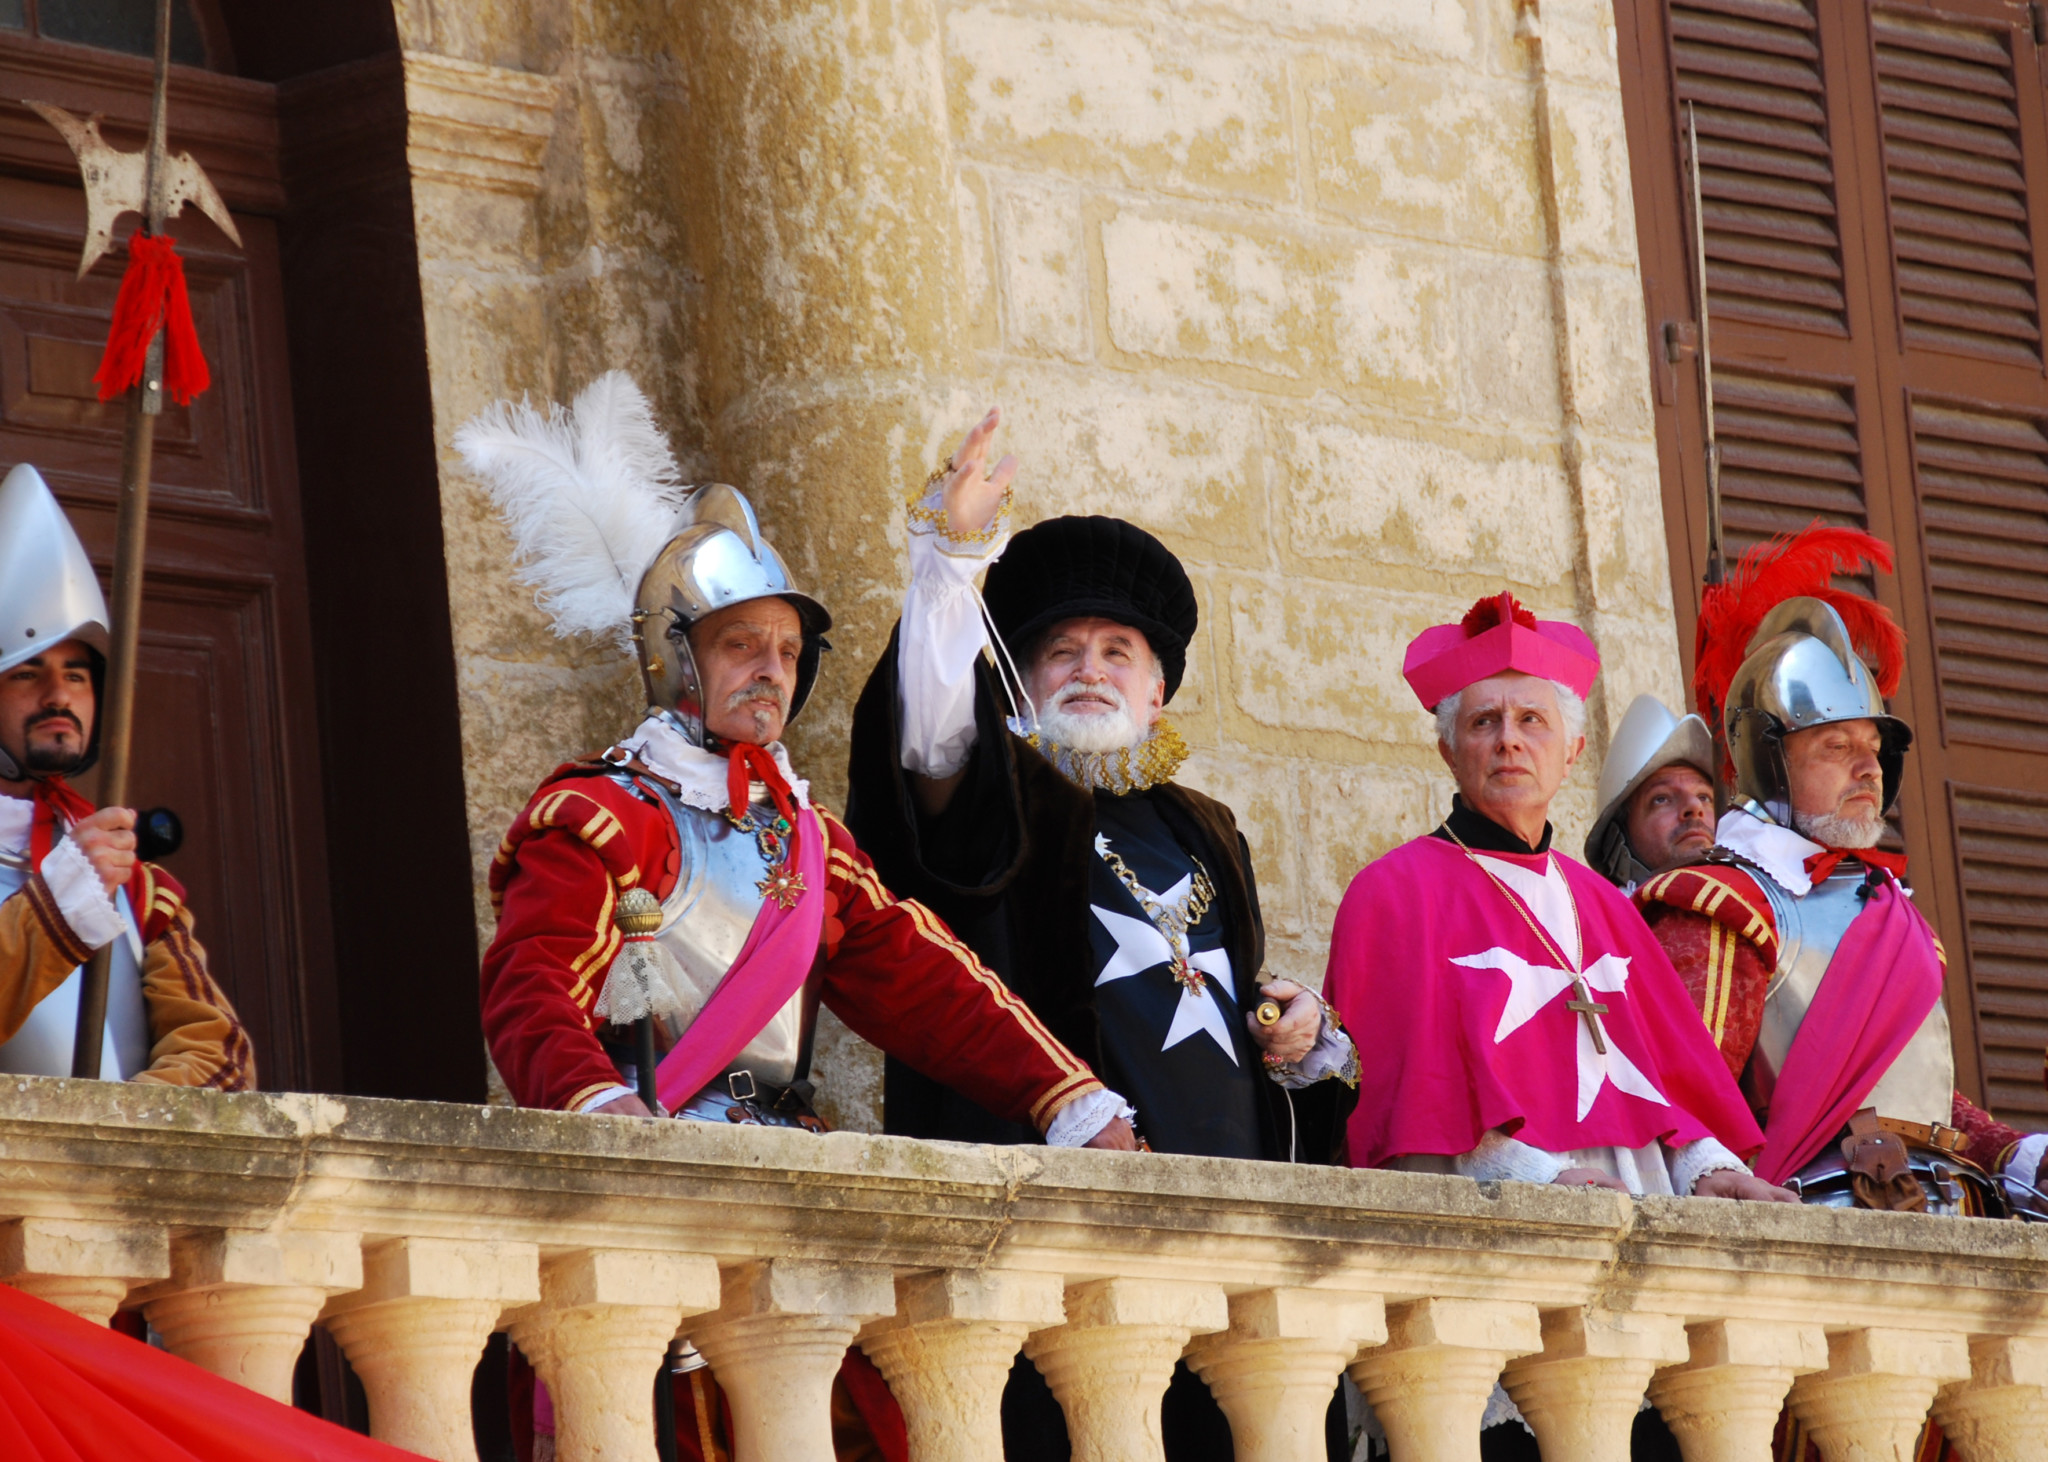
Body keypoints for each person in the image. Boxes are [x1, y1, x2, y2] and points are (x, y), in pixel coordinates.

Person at [459, 376, 1134, 1462]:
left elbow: (923, 977)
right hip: (653, 1209)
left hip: (795, 1210)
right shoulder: (596, 813)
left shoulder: (805, 839)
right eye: (740, 646)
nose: (770, 668)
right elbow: (529, 986)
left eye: (784, 650)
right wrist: (593, 1099)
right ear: (675, 657)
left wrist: (1065, 1093)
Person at [844, 409, 1356, 1460]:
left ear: (1157, 687)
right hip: (1057, 1264)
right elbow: (932, 735)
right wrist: (946, 564)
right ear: (1016, 682)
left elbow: (1208, 985)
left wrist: (1298, 1028)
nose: (1088, 668)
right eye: (1060, 651)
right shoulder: (995, 800)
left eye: (1116, 652)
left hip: (1228, 1270)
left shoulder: (1202, 827)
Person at [1634, 526, 2044, 1213]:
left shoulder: (1897, 917)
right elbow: (1686, 1099)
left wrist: (2019, 1154)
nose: (1867, 768)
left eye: (1874, 748)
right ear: (1772, 763)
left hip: (1954, 1220)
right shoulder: (1723, 902)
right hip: (1817, 1224)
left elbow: (1930, 1104)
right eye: (1835, 745)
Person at [1325, 590, 1787, 1201]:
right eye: (1483, 721)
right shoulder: (1392, 894)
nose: (1509, 741)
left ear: (1571, 751)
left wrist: (1709, 1167)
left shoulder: (1606, 905)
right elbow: (1403, 1103)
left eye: (1532, 720)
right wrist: (1532, 1178)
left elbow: (1670, 1081)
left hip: (1637, 1193)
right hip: (1493, 1211)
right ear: (1449, 752)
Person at [0, 462, 253, 1090]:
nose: (60, 694)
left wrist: (126, 1126)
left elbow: (217, 1051)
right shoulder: (90, 872)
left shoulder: (134, 883)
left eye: (78, 675)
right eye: (28, 672)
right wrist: (57, 908)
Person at [1582, 694, 1717, 891]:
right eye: (1661, 799)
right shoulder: (1601, 922)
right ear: (1618, 839)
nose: (1695, 807)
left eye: (1704, 797)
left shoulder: (1767, 909)